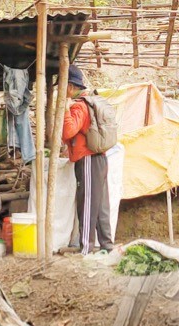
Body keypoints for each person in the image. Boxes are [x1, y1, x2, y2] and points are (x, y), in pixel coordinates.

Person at [62, 64, 114, 255]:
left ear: (68, 87)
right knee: (101, 205)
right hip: (99, 159)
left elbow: (68, 130)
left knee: (88, 204)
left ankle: (86, 247)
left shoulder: (78, 106)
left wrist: (66, 110)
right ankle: (107, 245)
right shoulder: (88, 104)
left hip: (88, 160)